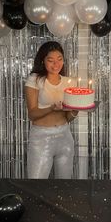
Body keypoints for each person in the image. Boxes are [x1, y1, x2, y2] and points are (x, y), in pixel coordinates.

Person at [25, 41, 78, 179]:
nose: (56, 64)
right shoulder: (35, 80)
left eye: (59, 59)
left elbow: (68, 118)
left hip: (65, 137)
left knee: (64, 184)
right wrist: (51, 108)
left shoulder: (70, 82)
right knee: (37, 183)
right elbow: (32, 114)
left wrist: (75, 111)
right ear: (43, 61)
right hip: (41, 138)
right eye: (51, 60)